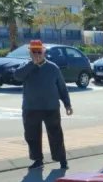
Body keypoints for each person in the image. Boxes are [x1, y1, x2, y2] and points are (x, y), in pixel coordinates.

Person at [13, 40, 73, 170]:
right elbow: (17, 76)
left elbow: (62, 87)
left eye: (39, 52)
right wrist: (32, 64)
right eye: (34, 52)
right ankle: (38, 160)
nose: (37, 55)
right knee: (32, 136)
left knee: (56, 135)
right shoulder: (25, 67)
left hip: (51, 108)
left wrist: (67, 104)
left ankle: (62, 160)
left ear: (44, 52)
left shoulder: (53, 68)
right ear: (30, 53)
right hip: (31, 108)